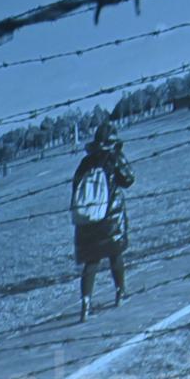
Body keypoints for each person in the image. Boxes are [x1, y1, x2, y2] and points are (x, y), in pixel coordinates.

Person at [71, 121, 135, 322]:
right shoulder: (113, 159)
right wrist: (118, 155)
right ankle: (120, 291)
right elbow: (128, 179)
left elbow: (75, 187)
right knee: (115, 255)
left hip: (88, 219)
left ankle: (86, 302)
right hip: (110, 217)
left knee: (91, 262)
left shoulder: (85, 163)